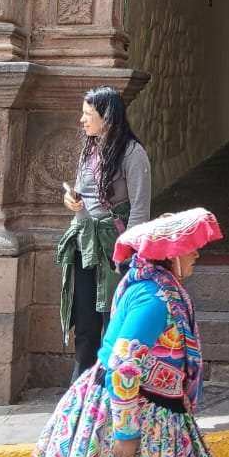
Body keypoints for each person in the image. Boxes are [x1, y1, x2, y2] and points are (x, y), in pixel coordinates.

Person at [35, 207, 226, 457]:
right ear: (171, 254)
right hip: (136, 411)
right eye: (191, 248)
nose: (197, 254)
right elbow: (124, 362)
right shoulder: (155, 300)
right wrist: (125, 431)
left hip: (150, 406)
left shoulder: (150, 285)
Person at [58, 87, 152, 378]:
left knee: (113, 320)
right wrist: (72, 202)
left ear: (107, 118)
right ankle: (81, 389)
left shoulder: (134, 154)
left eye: (88, 114)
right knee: (85, 321)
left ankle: (112, 386)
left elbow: (139, 209)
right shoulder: (89, 149)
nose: (82, 120)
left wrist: (126, 255)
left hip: (115, 249)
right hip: (85, 245)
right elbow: (83, 196)